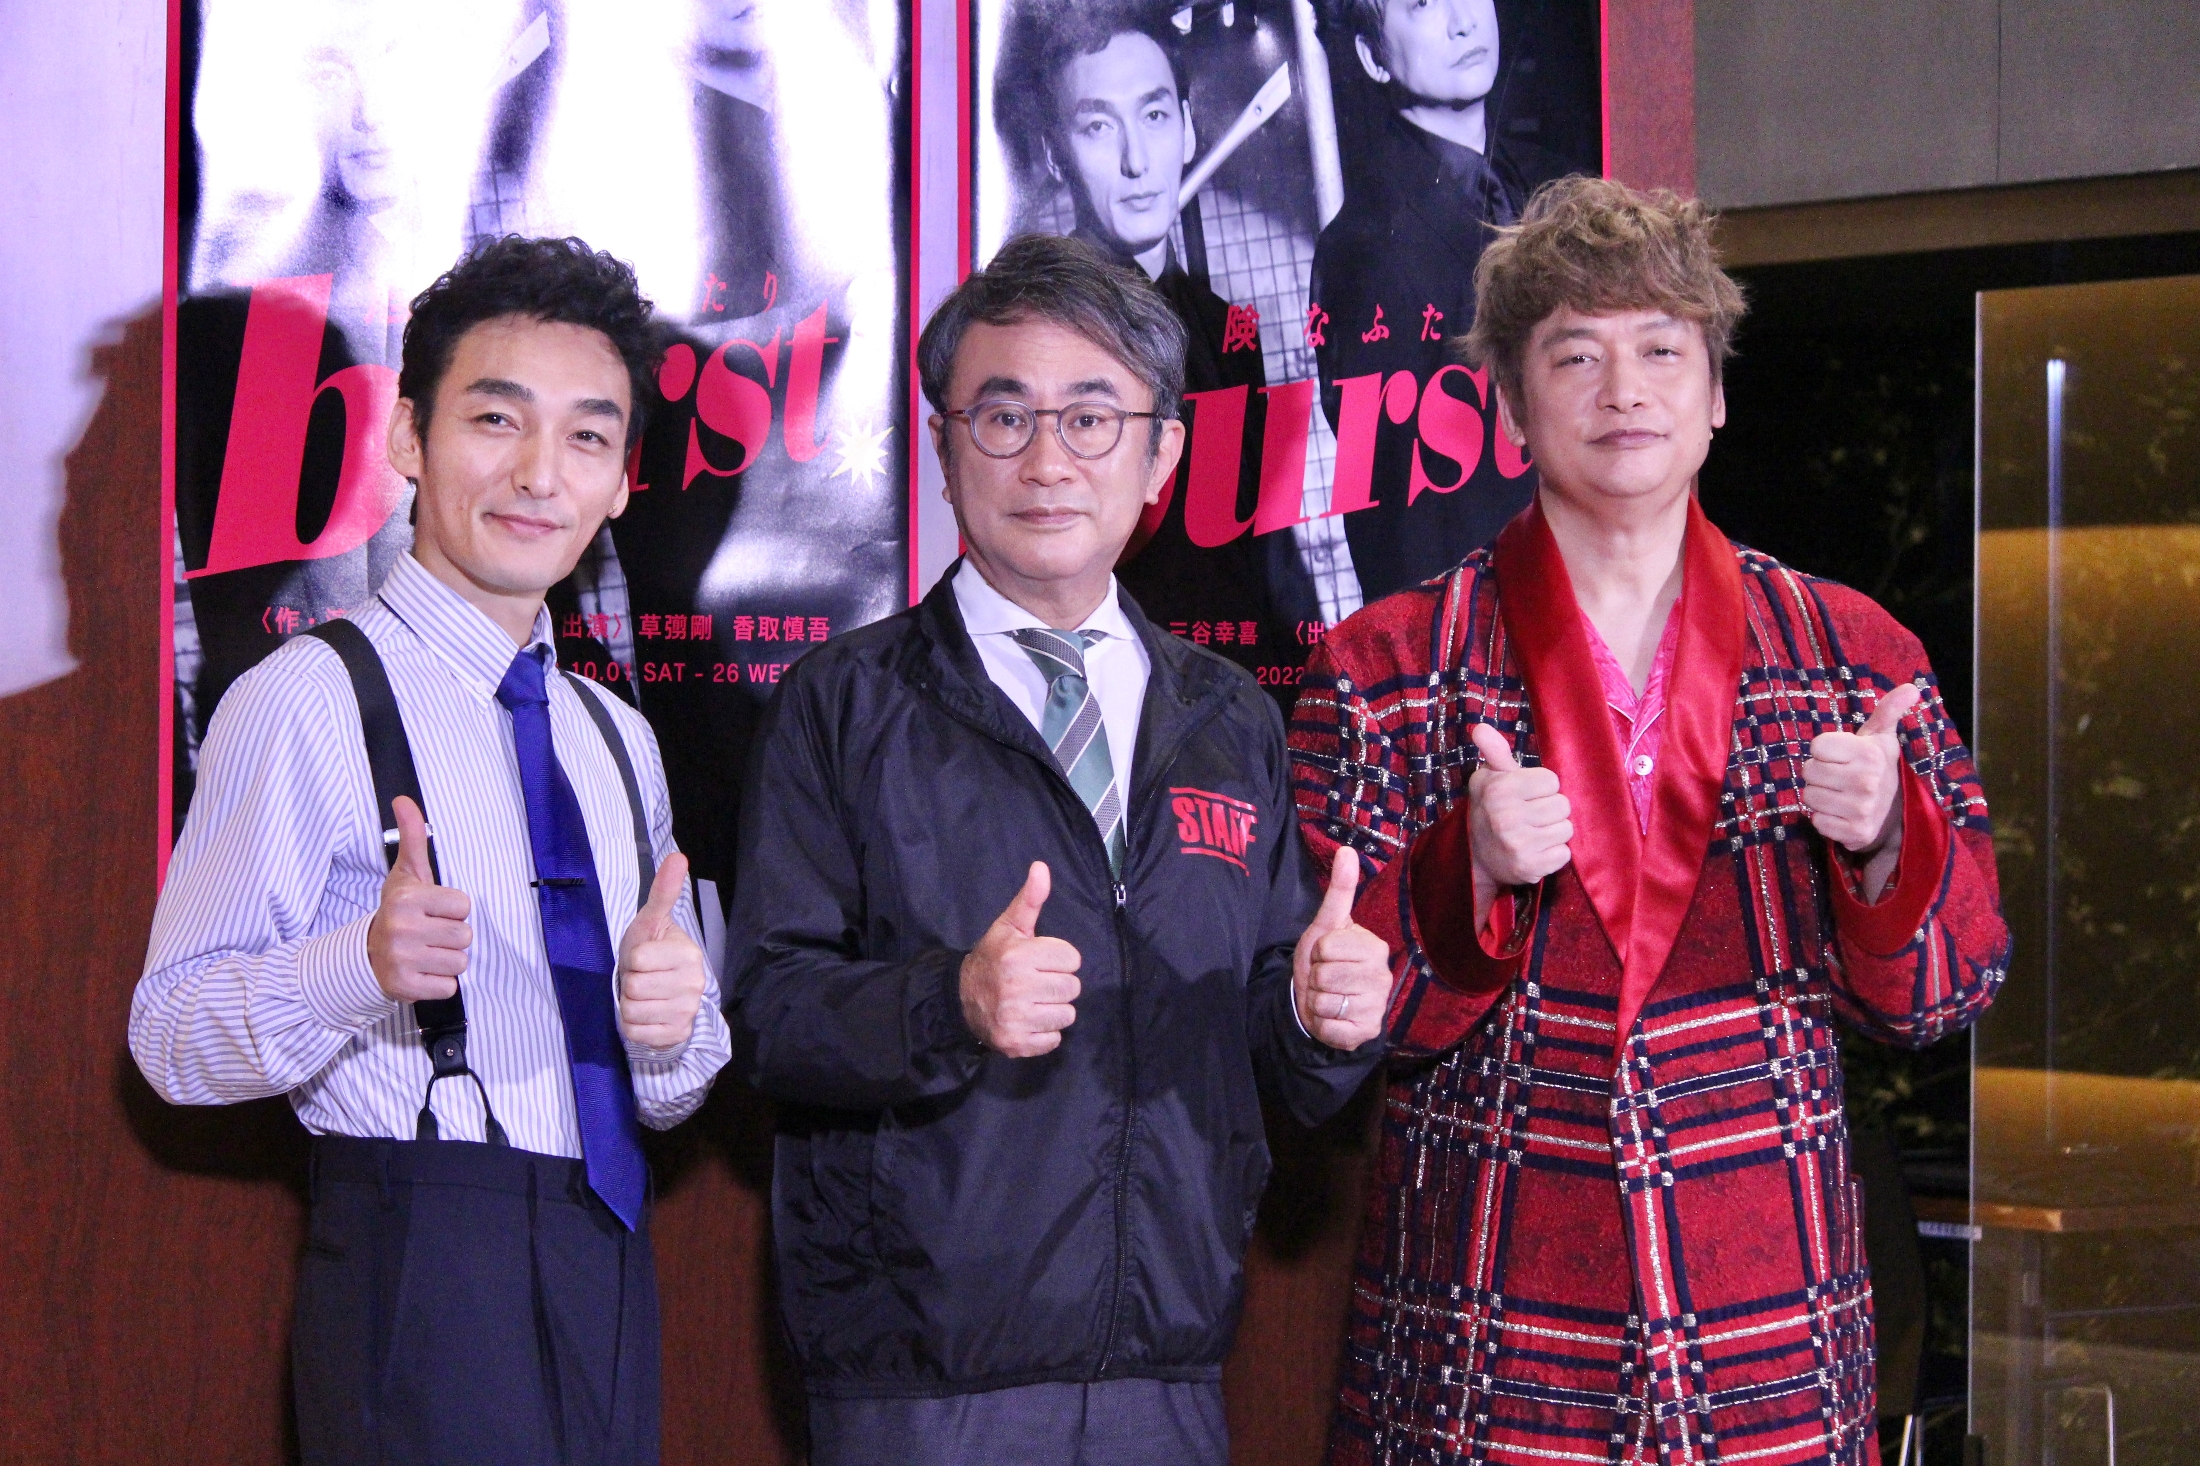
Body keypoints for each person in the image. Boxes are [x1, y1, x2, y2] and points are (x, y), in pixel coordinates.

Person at [1289, 178, 2009, 1465]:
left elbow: (1948, 990)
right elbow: (1334, 1023)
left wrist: (1889, 843)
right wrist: (1468, 867)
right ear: (1510, 406)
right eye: (1575, 355)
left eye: (1662, 350)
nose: (1623, 390)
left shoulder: (1849, 653)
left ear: (1716, 392)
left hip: (1765, 1301)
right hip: (1484, 1306)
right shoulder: (1384, 666)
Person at [725, 231, 1393, 1466]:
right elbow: (769, 1009)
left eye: (1091, 419)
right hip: (922, 1382)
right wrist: (952, 998)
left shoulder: (1226, 715)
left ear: (1161, 454)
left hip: (1168, 1365)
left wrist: (1320, 1015)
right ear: (942, 448)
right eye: (1003, 417)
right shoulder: (844, 702)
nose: (1046, 461)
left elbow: (1269, 1036)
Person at [134, 236, 729, 1466]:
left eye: (585, 436)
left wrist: (674, 1029)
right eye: (495, 419)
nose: (537, 473)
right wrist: (354, 966)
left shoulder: (616, 736)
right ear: (408, 436)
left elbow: (669, 1089)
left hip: (610, 1257)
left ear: (623, 480)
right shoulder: (302, 700)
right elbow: (170, 1036)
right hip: (417, 1262)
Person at [1309, 0, 1569, 605]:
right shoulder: (1367, 247)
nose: (1464, 20)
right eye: (1422, 4)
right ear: (1373, 56)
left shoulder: (1545, 190)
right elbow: (1400, 511)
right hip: (1472, 620)